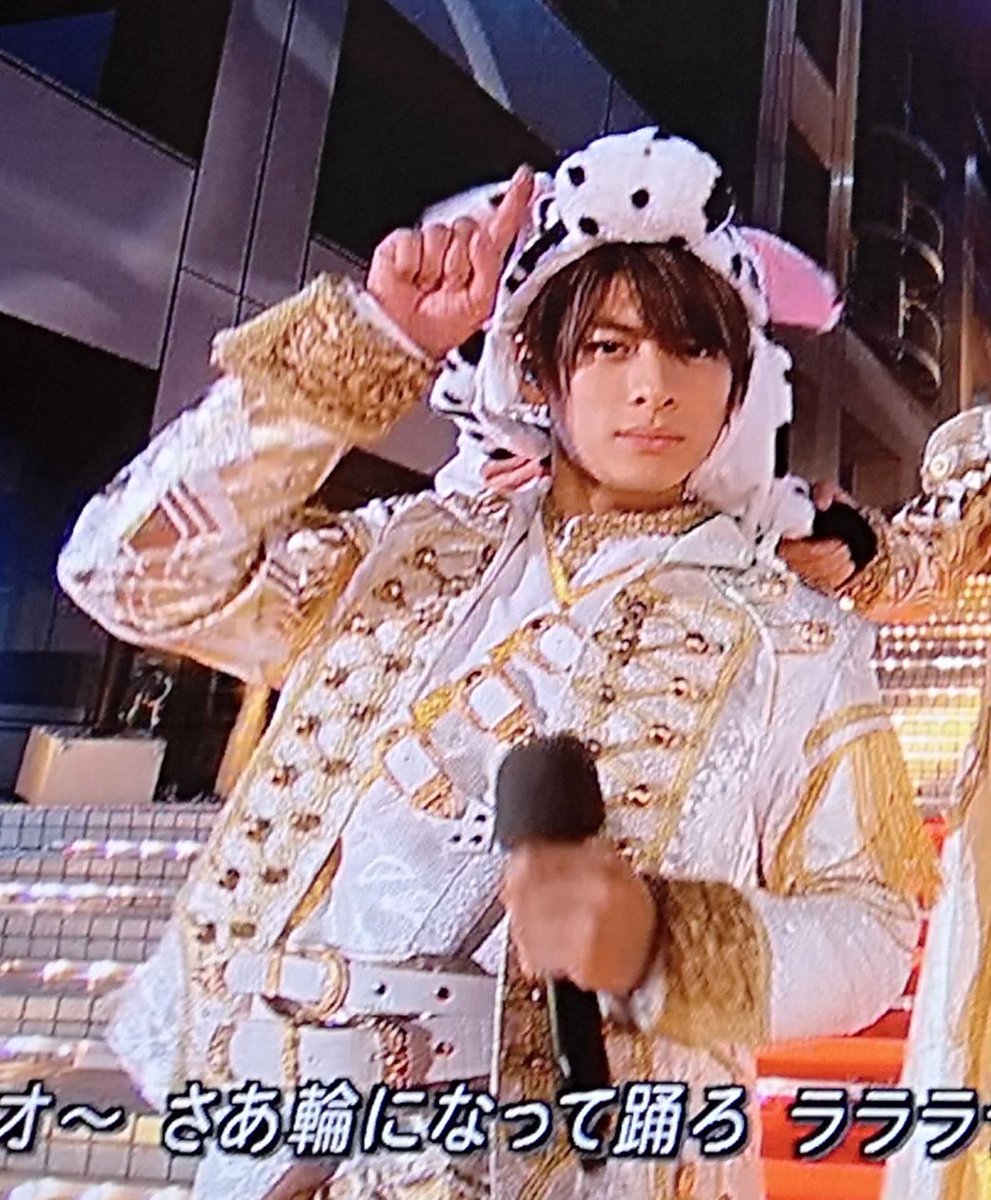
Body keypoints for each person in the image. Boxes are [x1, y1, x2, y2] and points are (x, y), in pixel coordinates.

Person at [56, 127, 939, 1200]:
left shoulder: (792, 634)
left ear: (736, 382)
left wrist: (661, 942)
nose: (653, 388)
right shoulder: (401, 557)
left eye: (692, 350)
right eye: (607, 348)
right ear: (536, 368)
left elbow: (872, 925)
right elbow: (123, 572)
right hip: (289, 1146)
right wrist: (373, 339)